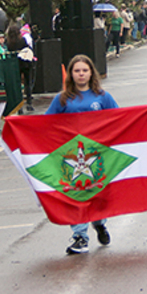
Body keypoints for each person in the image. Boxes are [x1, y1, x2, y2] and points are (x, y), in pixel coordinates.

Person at [46, 55, 119, 255]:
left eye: (84, 70)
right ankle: (80, 236)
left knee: (95, 193)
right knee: (76, 194)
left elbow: (118, 120)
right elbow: (46, 124)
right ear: (71, 74)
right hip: (71, 158)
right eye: (77, 71)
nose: (81, 74)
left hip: (96, 156)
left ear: (91, 73)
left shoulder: (102, 97)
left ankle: (99, 222)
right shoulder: (62, 99)